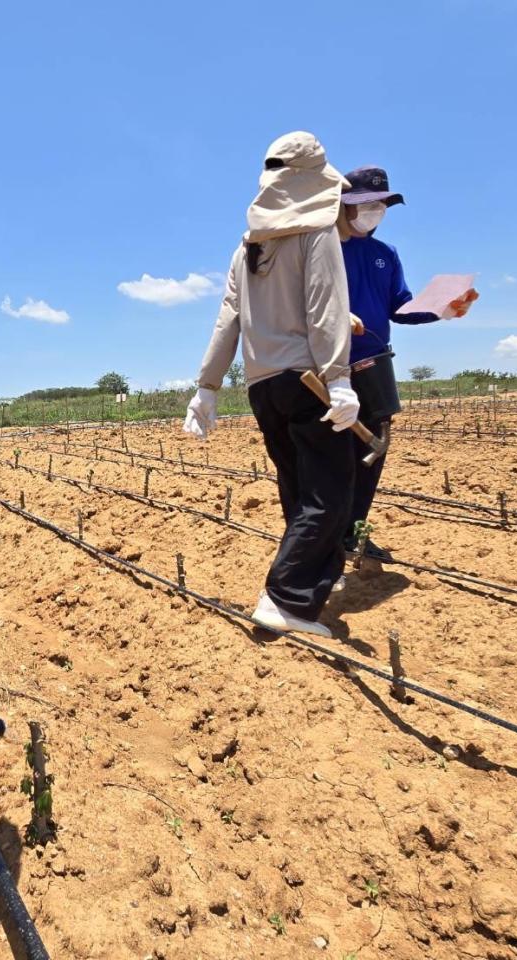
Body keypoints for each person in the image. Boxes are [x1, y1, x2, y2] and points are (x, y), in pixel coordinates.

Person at [184, 132, 358, 639]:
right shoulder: (316, 231)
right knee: (330, 492)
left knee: (298, 486)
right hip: (308, 378)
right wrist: (340, 379)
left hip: (263, 386)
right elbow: (324, 307)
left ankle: (292, 592)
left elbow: (227, 319)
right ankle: (288, 599)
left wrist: (209, 387)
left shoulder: (248, 246)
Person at [337, 166, 473, 562]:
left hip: (375, 363)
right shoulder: (322, 249)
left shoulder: (386, 255)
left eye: (381, 203)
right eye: (366, 203)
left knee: (374, 450)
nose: (375, 210)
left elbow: (400, 306)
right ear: (344, 206)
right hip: (331, 367)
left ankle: (354, 532)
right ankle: (325, 533)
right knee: (335, 452)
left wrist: (443, 309)